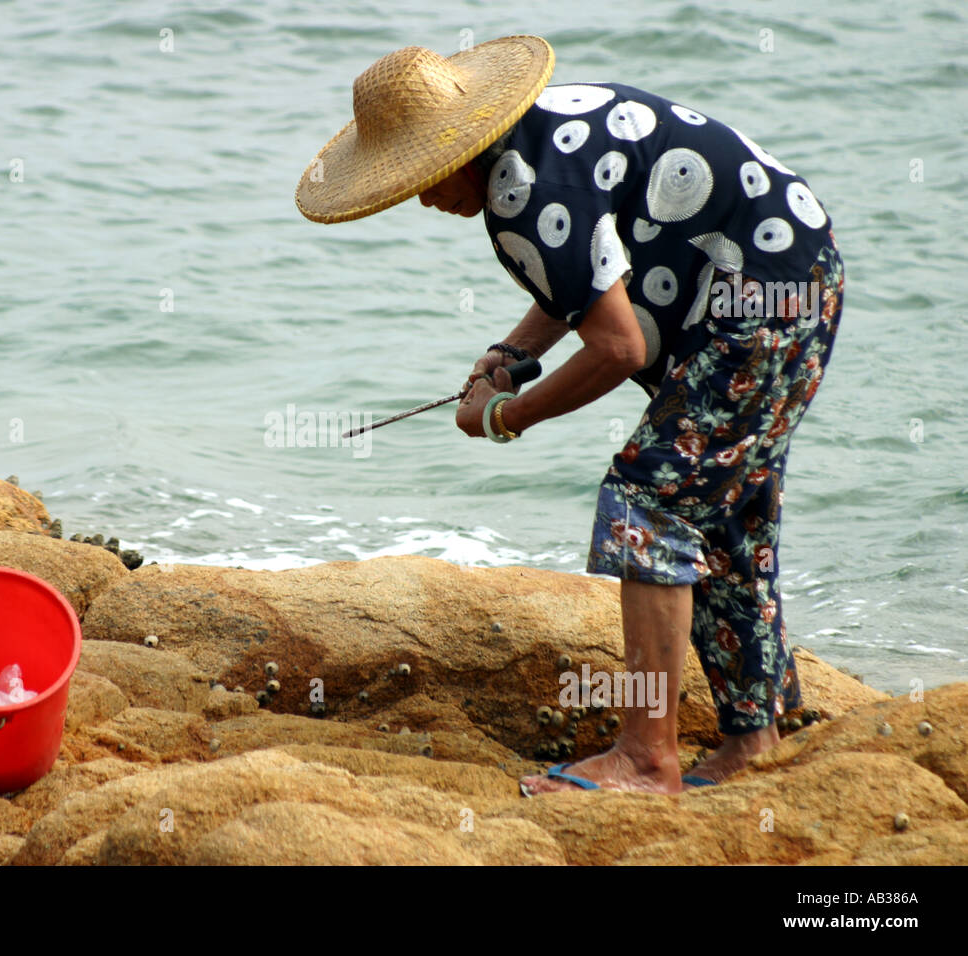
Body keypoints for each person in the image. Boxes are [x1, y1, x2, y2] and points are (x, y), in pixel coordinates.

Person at [295, 36, 844, 795]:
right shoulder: (546, 133)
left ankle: (646, 757)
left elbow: (618, 346)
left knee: (646, 497)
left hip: (756, 296)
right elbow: (592, 270)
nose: (421, 197)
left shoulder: (522, 196)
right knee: (722, 512)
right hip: (798, 270)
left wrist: (505, 417)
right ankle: (756, 741)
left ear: (467, 145)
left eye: (423, 176)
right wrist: (510, 354)